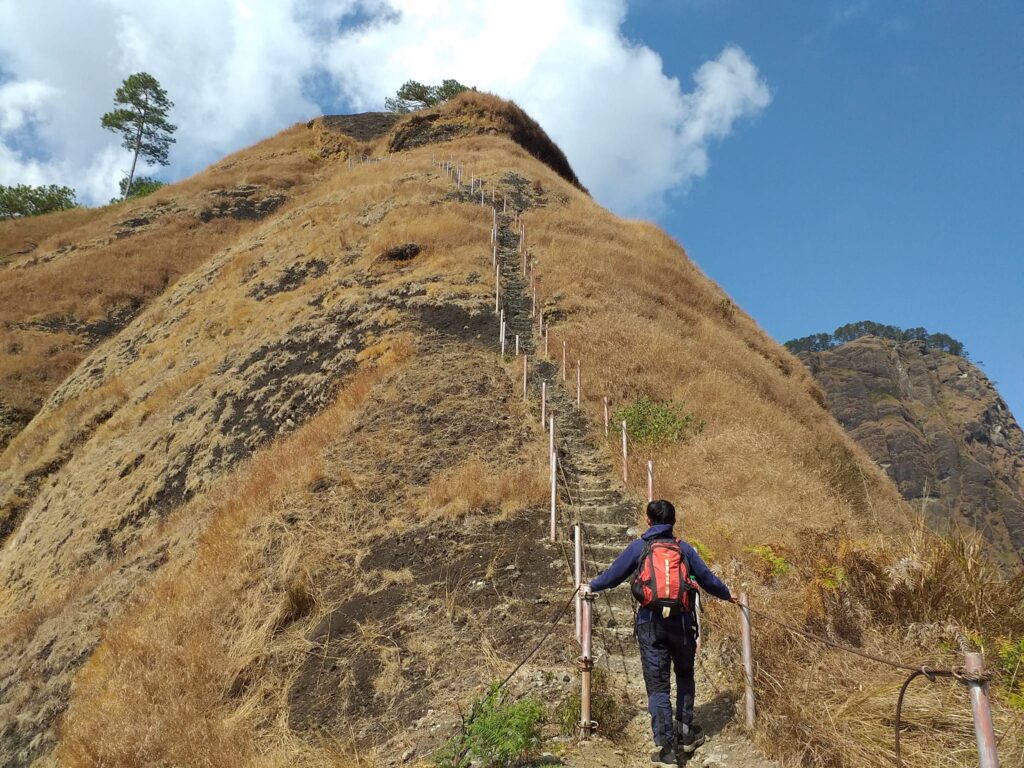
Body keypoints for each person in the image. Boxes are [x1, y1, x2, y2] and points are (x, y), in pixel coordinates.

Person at [585, 499, 734, 766]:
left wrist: (590, 586)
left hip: (651, 624)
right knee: (685, 675)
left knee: (658, 687)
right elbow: (707, 579)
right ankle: (686, 733)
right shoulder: (683, 549)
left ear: (648, 521)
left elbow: (613, 576)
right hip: (682, 624)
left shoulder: (639, 547)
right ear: (673, 522)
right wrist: (729, 595)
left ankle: (666, 750)